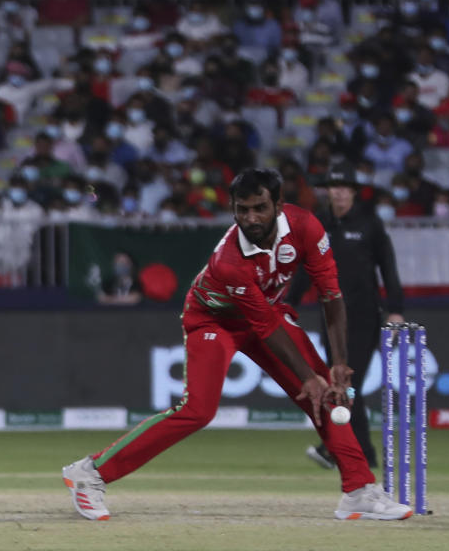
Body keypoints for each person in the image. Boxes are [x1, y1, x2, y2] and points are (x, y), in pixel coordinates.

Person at [61, 168, 412, 522]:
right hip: (213, 320)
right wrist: (308, 376)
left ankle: (358, 491)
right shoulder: (229, 260)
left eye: (260, 207)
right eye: (242, 209)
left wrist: (337, 363)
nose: (251, 218)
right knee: (199, 410)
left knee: (329, 391)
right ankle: (90, 473)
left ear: (279, 204)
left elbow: (331, 295)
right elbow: (265, 326)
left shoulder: (306, 226)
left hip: (268, 311)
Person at [286, 162, 404, 471]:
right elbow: (303, 269)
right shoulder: (319, 223)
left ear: (353, 191)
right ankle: (350, 453)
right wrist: (289, 305)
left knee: (348, 383)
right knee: (339, 384)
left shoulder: (370, 223)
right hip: (331, 317)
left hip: (365, 314)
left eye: (342, 187)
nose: (337, 192)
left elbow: (388, 267)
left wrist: (396, 310)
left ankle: (347, 453)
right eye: (332, 187)